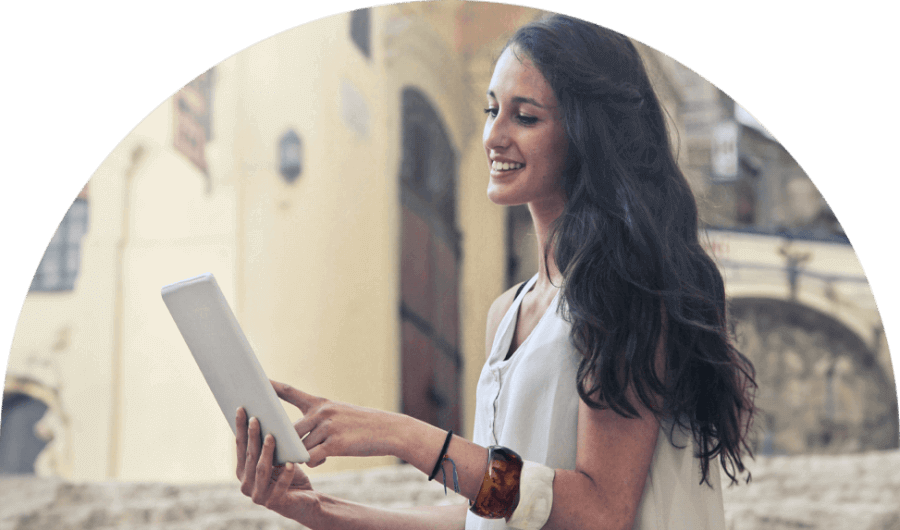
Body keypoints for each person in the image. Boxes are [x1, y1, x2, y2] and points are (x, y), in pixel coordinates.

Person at [234, 13, 757, 530]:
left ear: (587, 134)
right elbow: (497, 510)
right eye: (491, 110)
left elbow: (600, 512)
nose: (493, 136)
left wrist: (401, 437)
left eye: (525, 117)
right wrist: (317, 510)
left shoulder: (625, 290)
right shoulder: (506, 314)